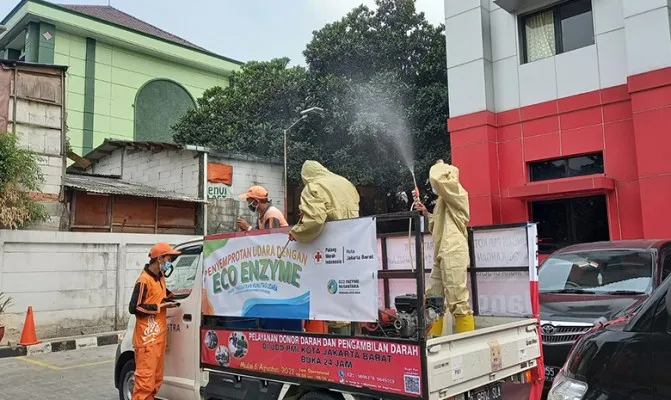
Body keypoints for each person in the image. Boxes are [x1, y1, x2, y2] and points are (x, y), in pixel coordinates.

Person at [289, 160, 360, 335]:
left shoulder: (313, 187)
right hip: (354, 246)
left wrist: (297, 232)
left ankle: (338, 351)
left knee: (333, 302)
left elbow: (315, 219)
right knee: (348, 298)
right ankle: (352, 346)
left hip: (331, 250)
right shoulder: (346, 183)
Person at [414, 160, 474, 334]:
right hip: (442, 251)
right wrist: (426, 213)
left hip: (454, 251)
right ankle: (433, 341)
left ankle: (467, 342)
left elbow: (439, 178)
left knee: (457, 299)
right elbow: (438, 224)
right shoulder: (444, 201)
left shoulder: (458, 193)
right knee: (433, 298)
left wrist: (440, 165)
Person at [234, 185, 301, 332]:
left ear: (257, 202)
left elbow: (271, 242)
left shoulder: (271, 214)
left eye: (250, 201)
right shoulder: (264, 215)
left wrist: (249, 229)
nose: (249, 204)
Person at [128, 242, 181, 400]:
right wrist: (160, 306)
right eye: (169, 258)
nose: (170, 262)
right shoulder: (143, 280)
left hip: (158, 339)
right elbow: (134, 307)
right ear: (159, 259)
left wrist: (171, 298)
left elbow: (162, 294)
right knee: (144, 384)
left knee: (156, 381)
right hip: (146, 341)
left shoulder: (160, 278)